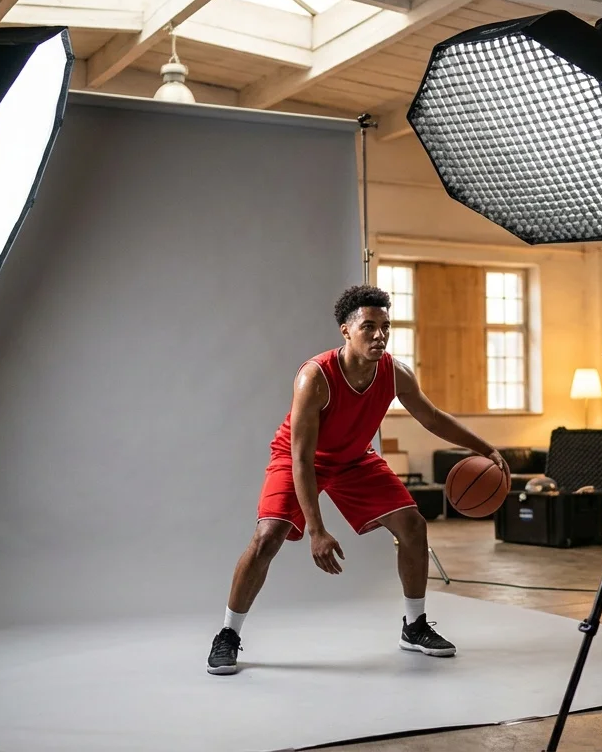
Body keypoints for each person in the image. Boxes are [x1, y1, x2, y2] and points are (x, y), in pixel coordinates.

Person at [207, 284, 509, 676]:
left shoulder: (395, 373)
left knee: (413, 526)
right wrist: (316, 530)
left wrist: (486, 448)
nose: (380, 335)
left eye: (386, 326)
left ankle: (414, 627)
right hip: (301, 459)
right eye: (369, 327)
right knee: (268, 536)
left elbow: (432, 418)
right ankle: (228, 635)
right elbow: (300, 457)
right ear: (346, 331)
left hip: (354, 459)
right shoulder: (314, 377)